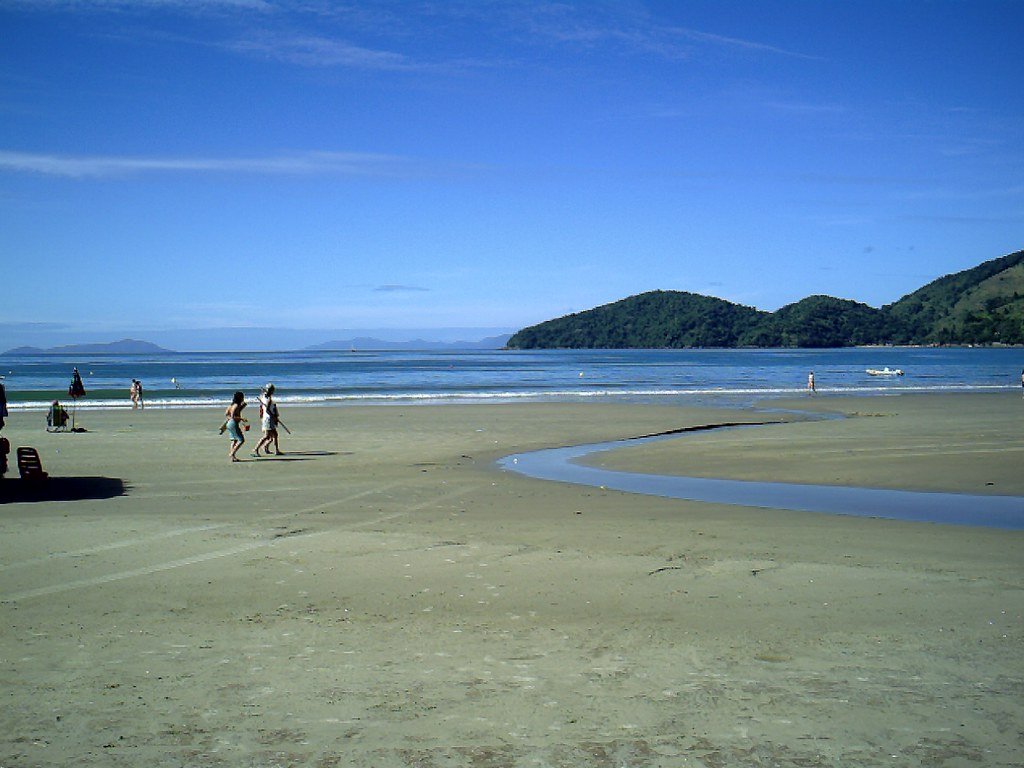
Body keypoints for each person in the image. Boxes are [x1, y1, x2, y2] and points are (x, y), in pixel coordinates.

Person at [253, 383, 281, 457]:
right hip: (268, 418)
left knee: (275, 435)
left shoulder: (264, 397)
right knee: (267, 436)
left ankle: (276, 450)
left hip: (267, 418)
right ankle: (256, 449)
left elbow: (263, 405)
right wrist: (274, 417)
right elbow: (268, 410)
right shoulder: (268, 399)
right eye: (272, 390)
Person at [224, 391, 248, 462]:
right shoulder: (236, 406)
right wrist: (241, 419)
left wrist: (242, 407)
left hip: (229, 423)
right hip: (233, 423)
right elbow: (233, 416)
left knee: (234, 440)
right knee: (241, 440)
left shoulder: (231, 405)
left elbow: (226, 414)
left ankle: (233, 457)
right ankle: (232, 453)